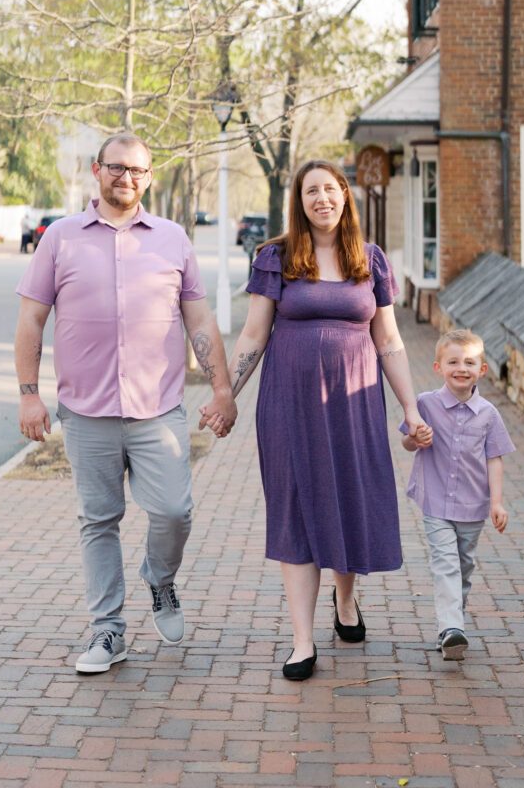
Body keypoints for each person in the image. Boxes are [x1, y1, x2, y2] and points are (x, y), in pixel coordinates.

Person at [14, 133, 237, 674]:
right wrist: (28, 395)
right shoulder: (60, 238)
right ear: (97, 171)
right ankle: (108, 633)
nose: (126, 178)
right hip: (86, 413)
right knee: (99, 520)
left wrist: (223, 389)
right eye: (116, 168)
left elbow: (200, 321)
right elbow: (30, 320)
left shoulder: (172, 239)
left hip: (158, 410)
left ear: (149, 177)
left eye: (137, 170)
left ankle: (160, 579)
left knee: (173, 511)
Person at [226, 159, 428, 681]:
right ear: (300, 200)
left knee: (348, 500)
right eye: (311, 190)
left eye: (330, 189)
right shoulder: (275, 258)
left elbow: (389, 340)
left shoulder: (370, 259)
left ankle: (345, 601)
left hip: (354, 404)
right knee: (295, 507)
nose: (322, 199)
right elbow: (252, 336)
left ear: (345, 196)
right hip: (288, 404)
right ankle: (301, 641)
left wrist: (410, 408)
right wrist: (225, 394)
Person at [400, 329, 515, 660]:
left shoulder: (490, 414)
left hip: (473, 506)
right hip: (435, 501)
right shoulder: (425, 404)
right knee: (446, 563)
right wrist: (416, 438)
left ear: (482, 369)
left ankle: (451, 628)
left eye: (469, 362)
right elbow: (407, 442)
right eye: (453, 361)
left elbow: (495, 459)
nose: (461, 368)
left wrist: (496, 503)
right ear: (439, 367)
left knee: (463, 567)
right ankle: (452, 627)